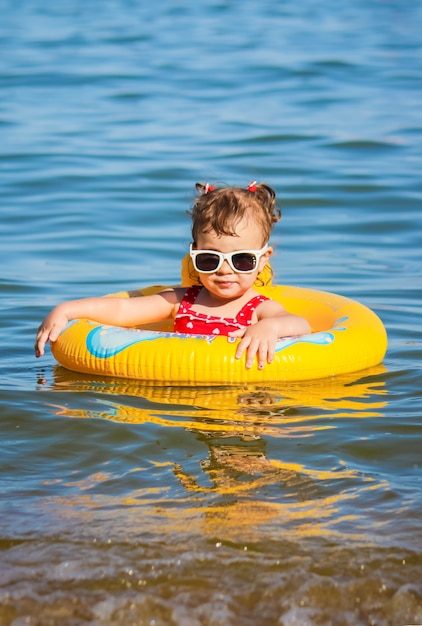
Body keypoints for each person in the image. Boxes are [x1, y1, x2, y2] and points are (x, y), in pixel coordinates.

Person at [35, 182, 310, 369]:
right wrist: (67, 310)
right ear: (194, 254)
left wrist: (269, 328)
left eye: (241, 259)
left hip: (241, 397)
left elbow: (298, 324)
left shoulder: (260, 310)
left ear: (263, 260)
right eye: (209, 259)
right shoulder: (181, 301)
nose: (225, 269)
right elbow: (122, 310)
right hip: (183, 393)